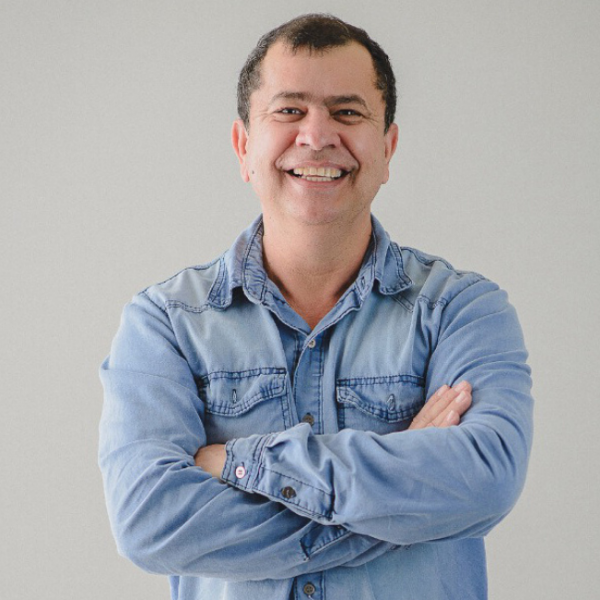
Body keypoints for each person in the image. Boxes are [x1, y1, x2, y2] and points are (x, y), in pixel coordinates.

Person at [99, 14, 533, 600]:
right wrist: (404, 506)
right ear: (243, 146)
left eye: (347, 112)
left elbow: (485, 480)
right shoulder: (165, 324)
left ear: (387, 148)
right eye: (289, 110)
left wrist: (239, 463)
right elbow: (150, 521)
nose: (317, 135)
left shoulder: (461, 311)